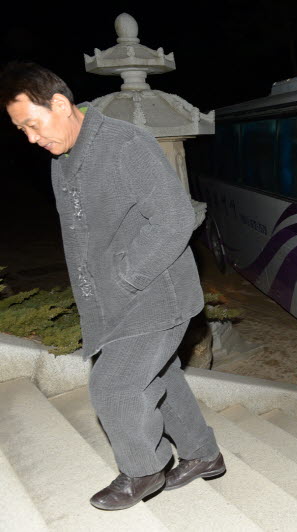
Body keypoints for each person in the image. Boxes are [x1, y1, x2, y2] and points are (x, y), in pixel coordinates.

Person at [0, 62, 224, 510]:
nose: (30, 138)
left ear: (59, 105)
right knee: (159, 375)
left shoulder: (125, 144)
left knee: (115, 386)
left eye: (31, 124)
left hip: (156, 293)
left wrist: (127, 274)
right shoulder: (62, 159)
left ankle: (144, 468)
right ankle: (204, 454)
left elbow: (175, 217)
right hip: (110, 300)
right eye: (21, 129)